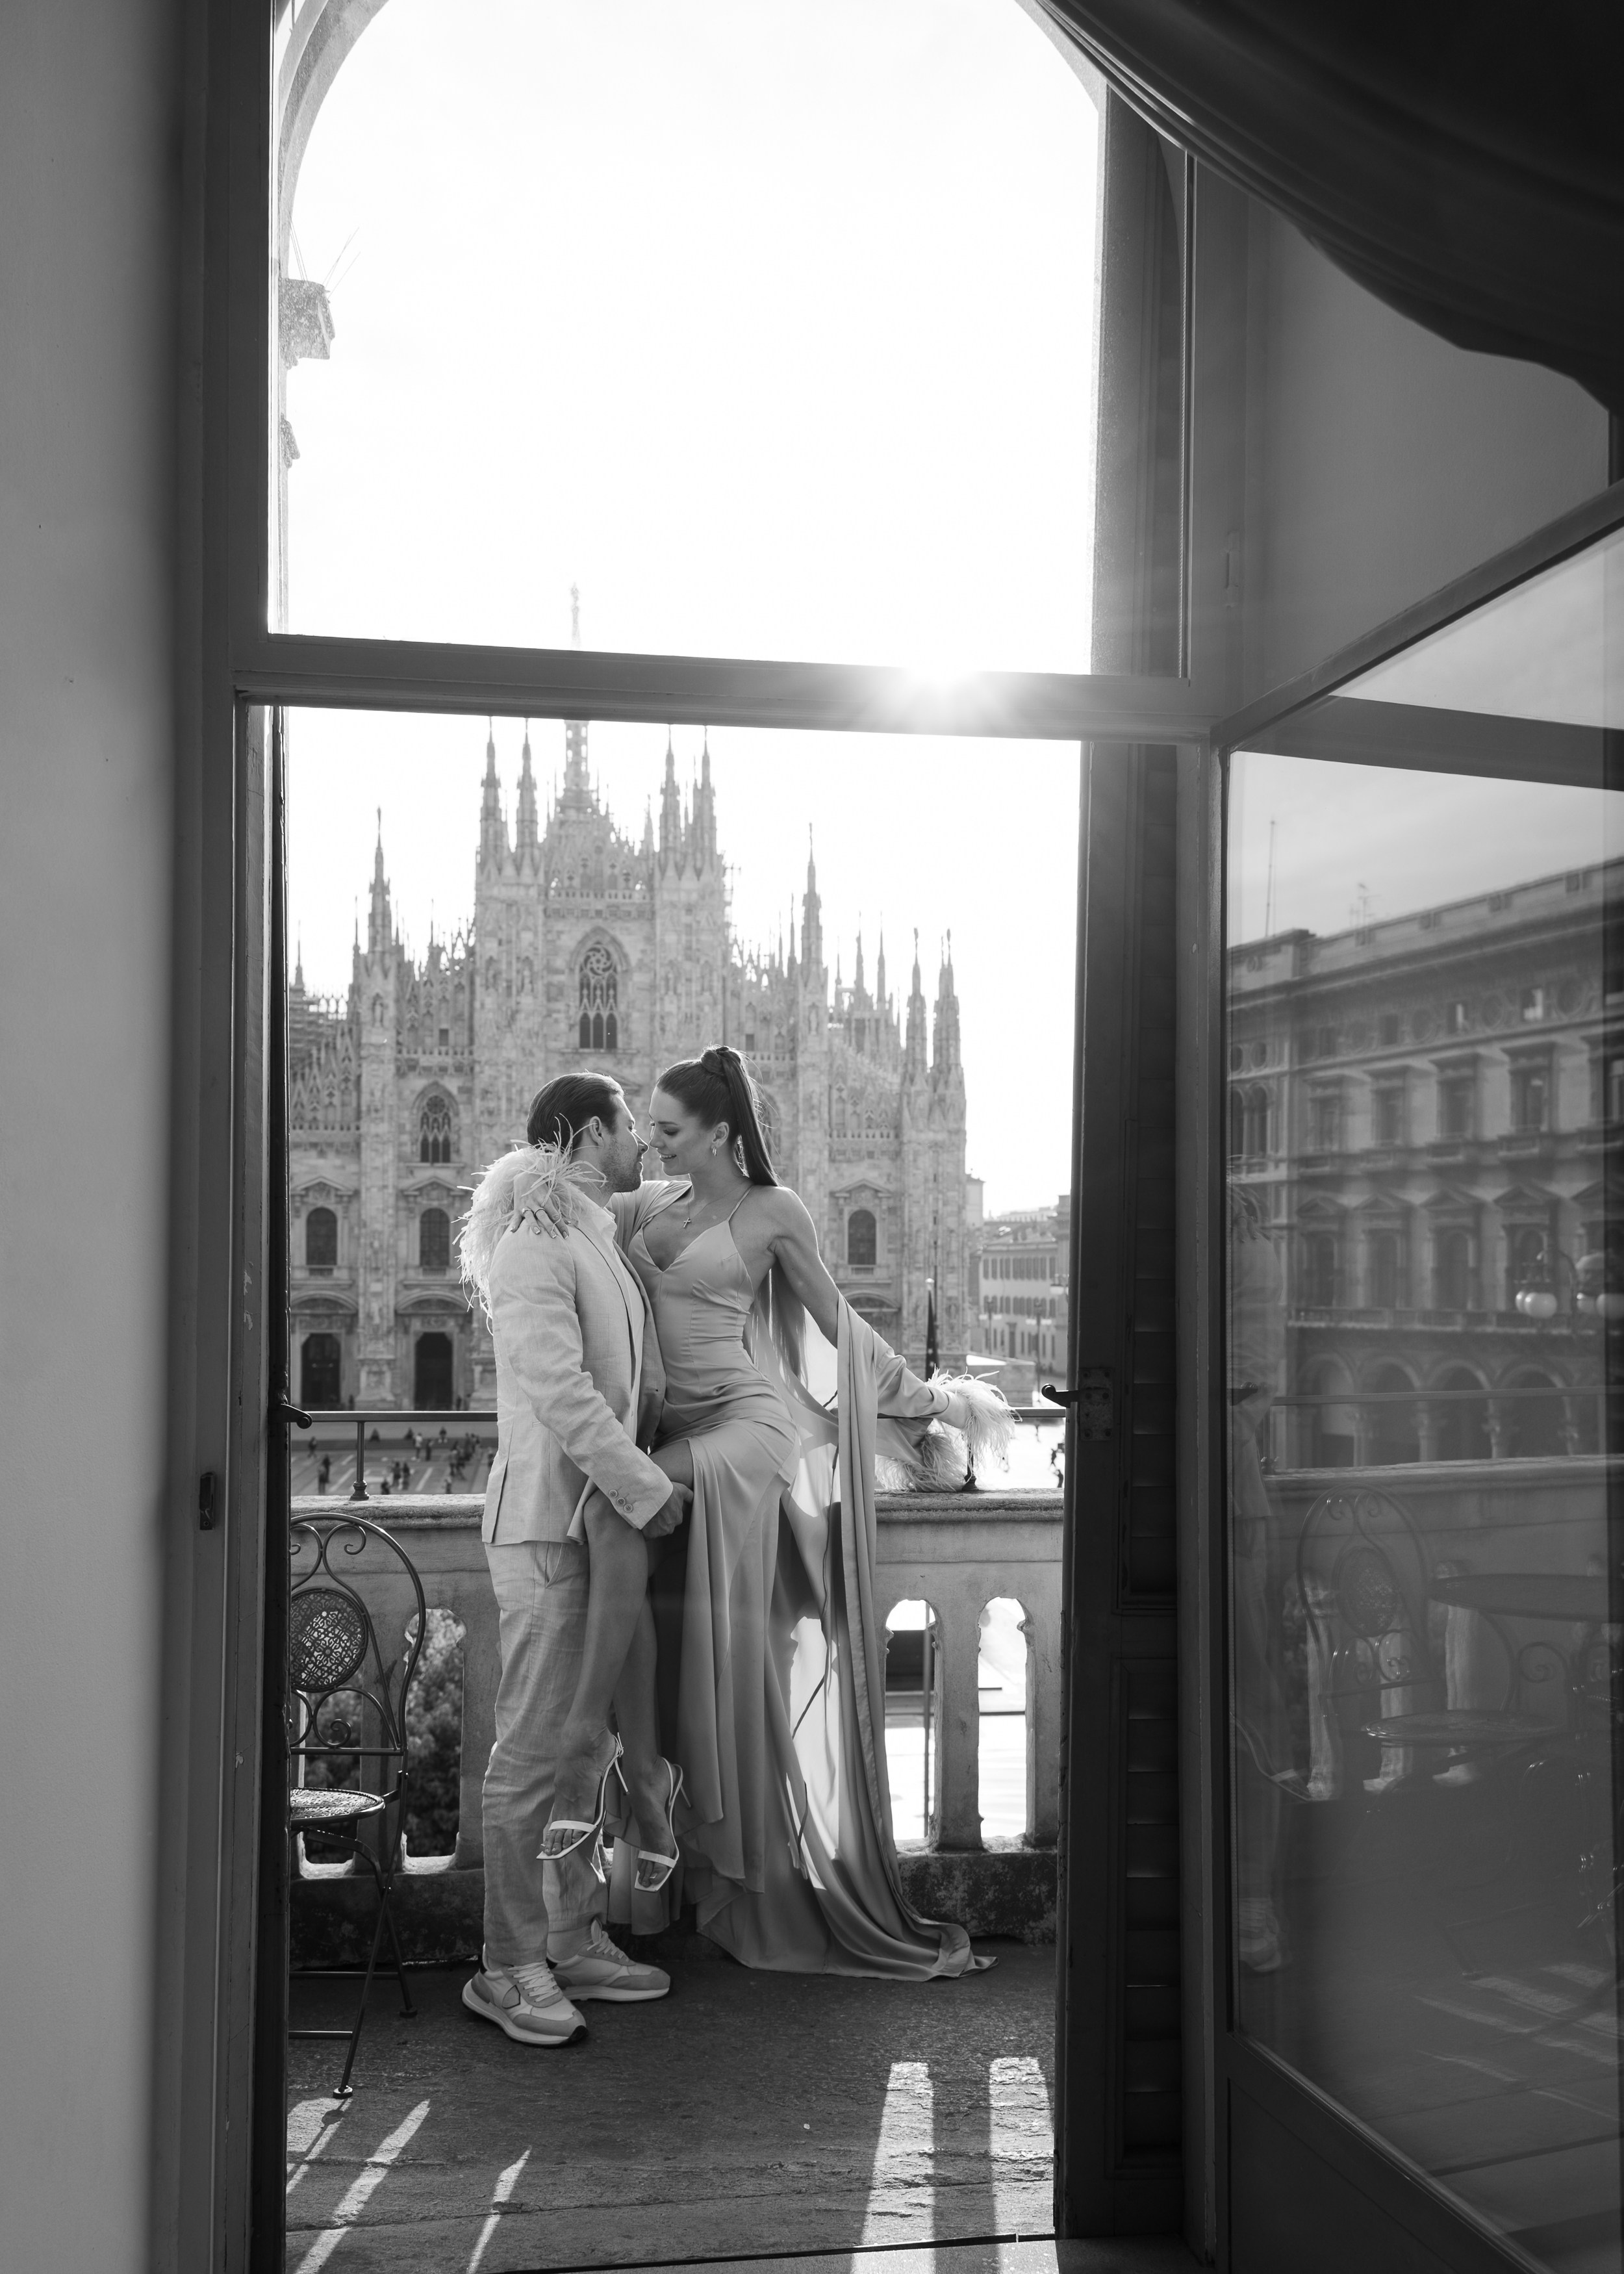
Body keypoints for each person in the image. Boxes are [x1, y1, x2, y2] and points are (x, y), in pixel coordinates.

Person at [540, 1043, 1011, 1977]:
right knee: (685, 1622)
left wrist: (929, 1400)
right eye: (651, 1132)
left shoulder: (775, 1211)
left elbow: (838, 1323)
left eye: (670, 1131)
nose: (658, 1145)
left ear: (721, 1133)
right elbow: (573, 1193)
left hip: (744, 1431)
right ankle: (651, 1786)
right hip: (675, 1428)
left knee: (614, 1516)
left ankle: (594, 1749)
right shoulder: (654, 1203)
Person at [456, 1072, 692, 2048]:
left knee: (587, 1744)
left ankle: (570, 1931)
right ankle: (506, 1965)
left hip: (597, 1523)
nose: (643, 1139)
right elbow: (558, 1392)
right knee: (531, 1752)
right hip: (552, 1525)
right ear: (593, 1135)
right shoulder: (533, 1244)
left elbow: (705, 1192)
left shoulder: (592, 1228)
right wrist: (645, 1487)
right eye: (632, 1125)